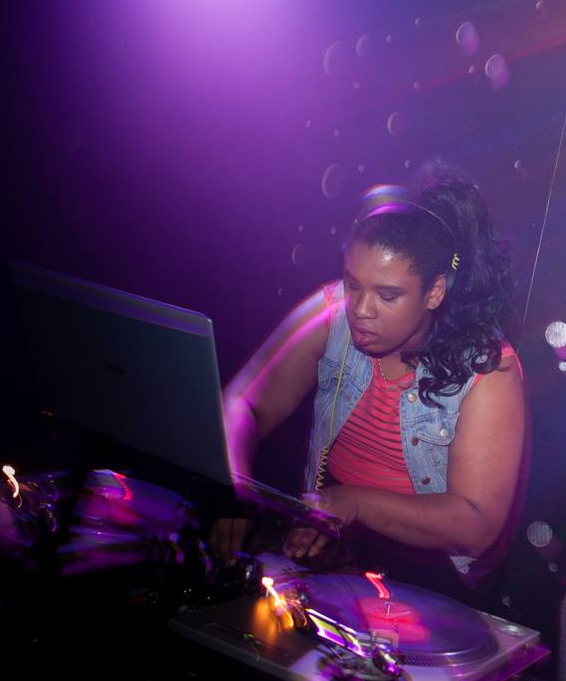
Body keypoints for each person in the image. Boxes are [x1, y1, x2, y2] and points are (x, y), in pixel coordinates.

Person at [213, 167, 526, 602]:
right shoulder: (333, 312)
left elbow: (476, 525)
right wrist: (234, 489)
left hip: (431, 571)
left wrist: (355, 503)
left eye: (388, 295)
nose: (361, 309)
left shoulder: (487, 369)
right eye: (354, 284)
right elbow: (243, 403)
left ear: (435, 292)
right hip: (332, 535)